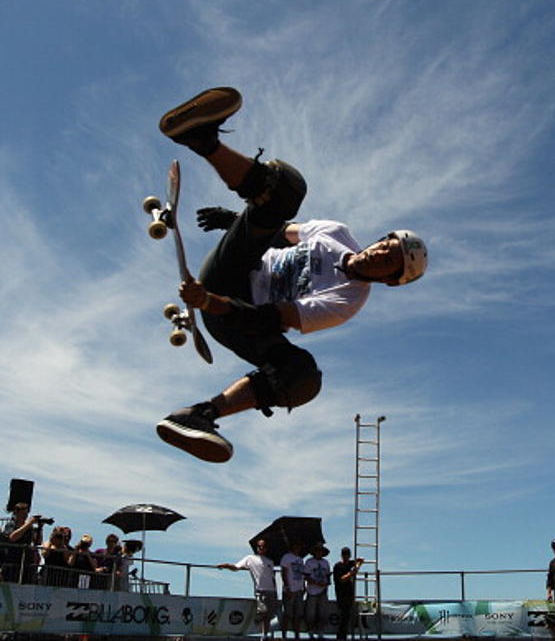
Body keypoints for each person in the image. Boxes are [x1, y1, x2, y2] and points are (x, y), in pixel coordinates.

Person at [153, 87, 428, 463]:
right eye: (386, 244)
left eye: (389, 260)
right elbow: (280, 230)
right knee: (286, 190)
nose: (380, 252)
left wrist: (211, 304)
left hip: (237, 315)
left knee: (302, 377)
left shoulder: (345, 302)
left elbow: (266, 318)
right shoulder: (335, 232)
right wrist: (233, 222)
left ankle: (198, 416)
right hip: (235, 267)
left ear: (389, 279)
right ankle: (200, 139)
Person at [218, 539, 279, 641]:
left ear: (266, 549)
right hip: (260, 589)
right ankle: (262, 632)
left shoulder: (270, 561)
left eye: (263, 547)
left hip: (271, 590)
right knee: (264, 611)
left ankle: (265, 633)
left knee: (269, 615)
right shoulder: (250, 558)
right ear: (257, 548)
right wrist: (225, 565)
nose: (261, 548)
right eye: (259, 546)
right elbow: (236, 567)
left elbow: (272, 577)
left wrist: (275, 590)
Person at [1, 503, 43, 583]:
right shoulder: (11, 525)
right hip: (12, 563)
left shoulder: (29, 527)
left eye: (26, 514)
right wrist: (28, 524)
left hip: (26, 563)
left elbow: (38, 542)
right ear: (16, 513)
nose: (25, 516)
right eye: (23, 514)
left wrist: (40, 528)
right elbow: (12, 537)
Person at [332, 547, 364, 641]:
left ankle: (344, 636)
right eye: (344, 554)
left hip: (350, 594)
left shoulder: (350, 563)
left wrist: (357, 566)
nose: (346, 556)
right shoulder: (338, 566)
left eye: (347, 554)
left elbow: (361, 560)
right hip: (341, 595)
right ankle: (340, 637)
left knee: (347, 617)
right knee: (343, 617)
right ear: (341, 556)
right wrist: (351, 573)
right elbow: (341, 580)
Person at [304, 544, 331, 640]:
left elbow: (328, 575)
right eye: (317, 551)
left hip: (323, 591)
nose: (319, 553)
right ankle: (310, 631)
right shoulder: (309, 562)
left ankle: (320, 632)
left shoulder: (326, 563)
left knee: (322, 612)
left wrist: (326, 584)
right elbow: (306, 576)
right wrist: (316, 582)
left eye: (321, 551)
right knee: (310, 613)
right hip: (312, 591)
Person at [280, 541, 307, 640]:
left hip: (299, 589)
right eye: (296, 546)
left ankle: (297, 635)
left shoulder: (300, 559)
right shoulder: (286, 557)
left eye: (299, 546)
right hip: (289, 589)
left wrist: (304, 586)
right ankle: (284, 635)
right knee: (287, 614)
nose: (297, 548)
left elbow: (302, 574)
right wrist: (287, 587)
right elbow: (283, 572)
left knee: (298, 614)